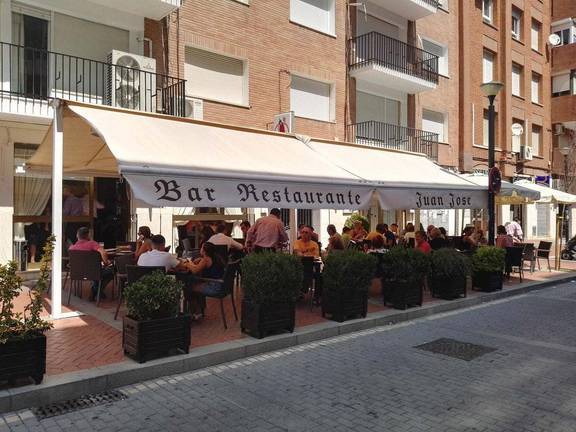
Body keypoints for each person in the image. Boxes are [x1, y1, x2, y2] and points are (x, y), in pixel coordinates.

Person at [182, 242, 227, 320]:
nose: (200, 249)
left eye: (201, 247)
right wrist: (198, 261)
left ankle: (191, 313)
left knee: (189, 288)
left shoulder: (206, 259)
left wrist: (187, 263)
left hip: (214, 287)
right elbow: (197, 267)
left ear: (204, 251)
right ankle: (199, 311)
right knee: (196, 284)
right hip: (221, 285)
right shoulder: (215, 257)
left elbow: (195, 270)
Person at [69, 227, 113, 301]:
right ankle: (96, 291)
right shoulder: (92, 244)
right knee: (110, 272)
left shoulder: (72, 248)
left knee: (98, 273)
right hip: (93, 272)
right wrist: (106, 263)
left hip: (77, 273)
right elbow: (103, 253)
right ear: (88, 235)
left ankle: (95, 291)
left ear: (77, 235)